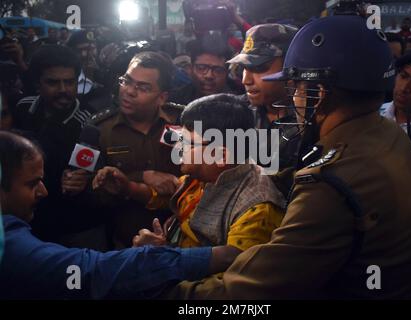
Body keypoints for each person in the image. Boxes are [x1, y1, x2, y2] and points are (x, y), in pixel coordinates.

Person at [167, 15, 411, 299]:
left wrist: (170, 294)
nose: (292, 99)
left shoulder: (330, 182)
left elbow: (257, 288)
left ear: (317, 93)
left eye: (293, 89)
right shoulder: (388, 134)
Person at [0, 131, 237, 299]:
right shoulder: (8, 246)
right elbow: (90, 273)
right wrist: (210, 257)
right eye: (32, 184)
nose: (43, 191)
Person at [92, 94, 285, 253]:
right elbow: (176, 192)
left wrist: (162, 259)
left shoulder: (256, 211)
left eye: (187, 142)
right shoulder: (207, 174)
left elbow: (230, 283)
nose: (177, 147)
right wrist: (129, 187)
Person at [87, 51, 183, 248]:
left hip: (182, 242)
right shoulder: (99, 129)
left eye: (142, 87)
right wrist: (141, 176)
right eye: (126, 81)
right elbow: (88, 191)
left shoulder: (183, 122)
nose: (129, 91)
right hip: (124, 245)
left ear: (162, 97)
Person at [14, 45, 97, 243]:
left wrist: (82, 179)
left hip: (71, 228)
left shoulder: (89, 123)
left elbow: (90, 170)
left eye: (69, 82)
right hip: (25, 224)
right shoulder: (22, 108)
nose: (63, 90)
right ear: (37, 84)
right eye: (53, 82)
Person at [227, 23, 299, 172]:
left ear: (291, 67)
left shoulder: (314, 120)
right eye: (244, 68)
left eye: (259, 68)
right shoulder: (236, 111)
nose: (246, 80)